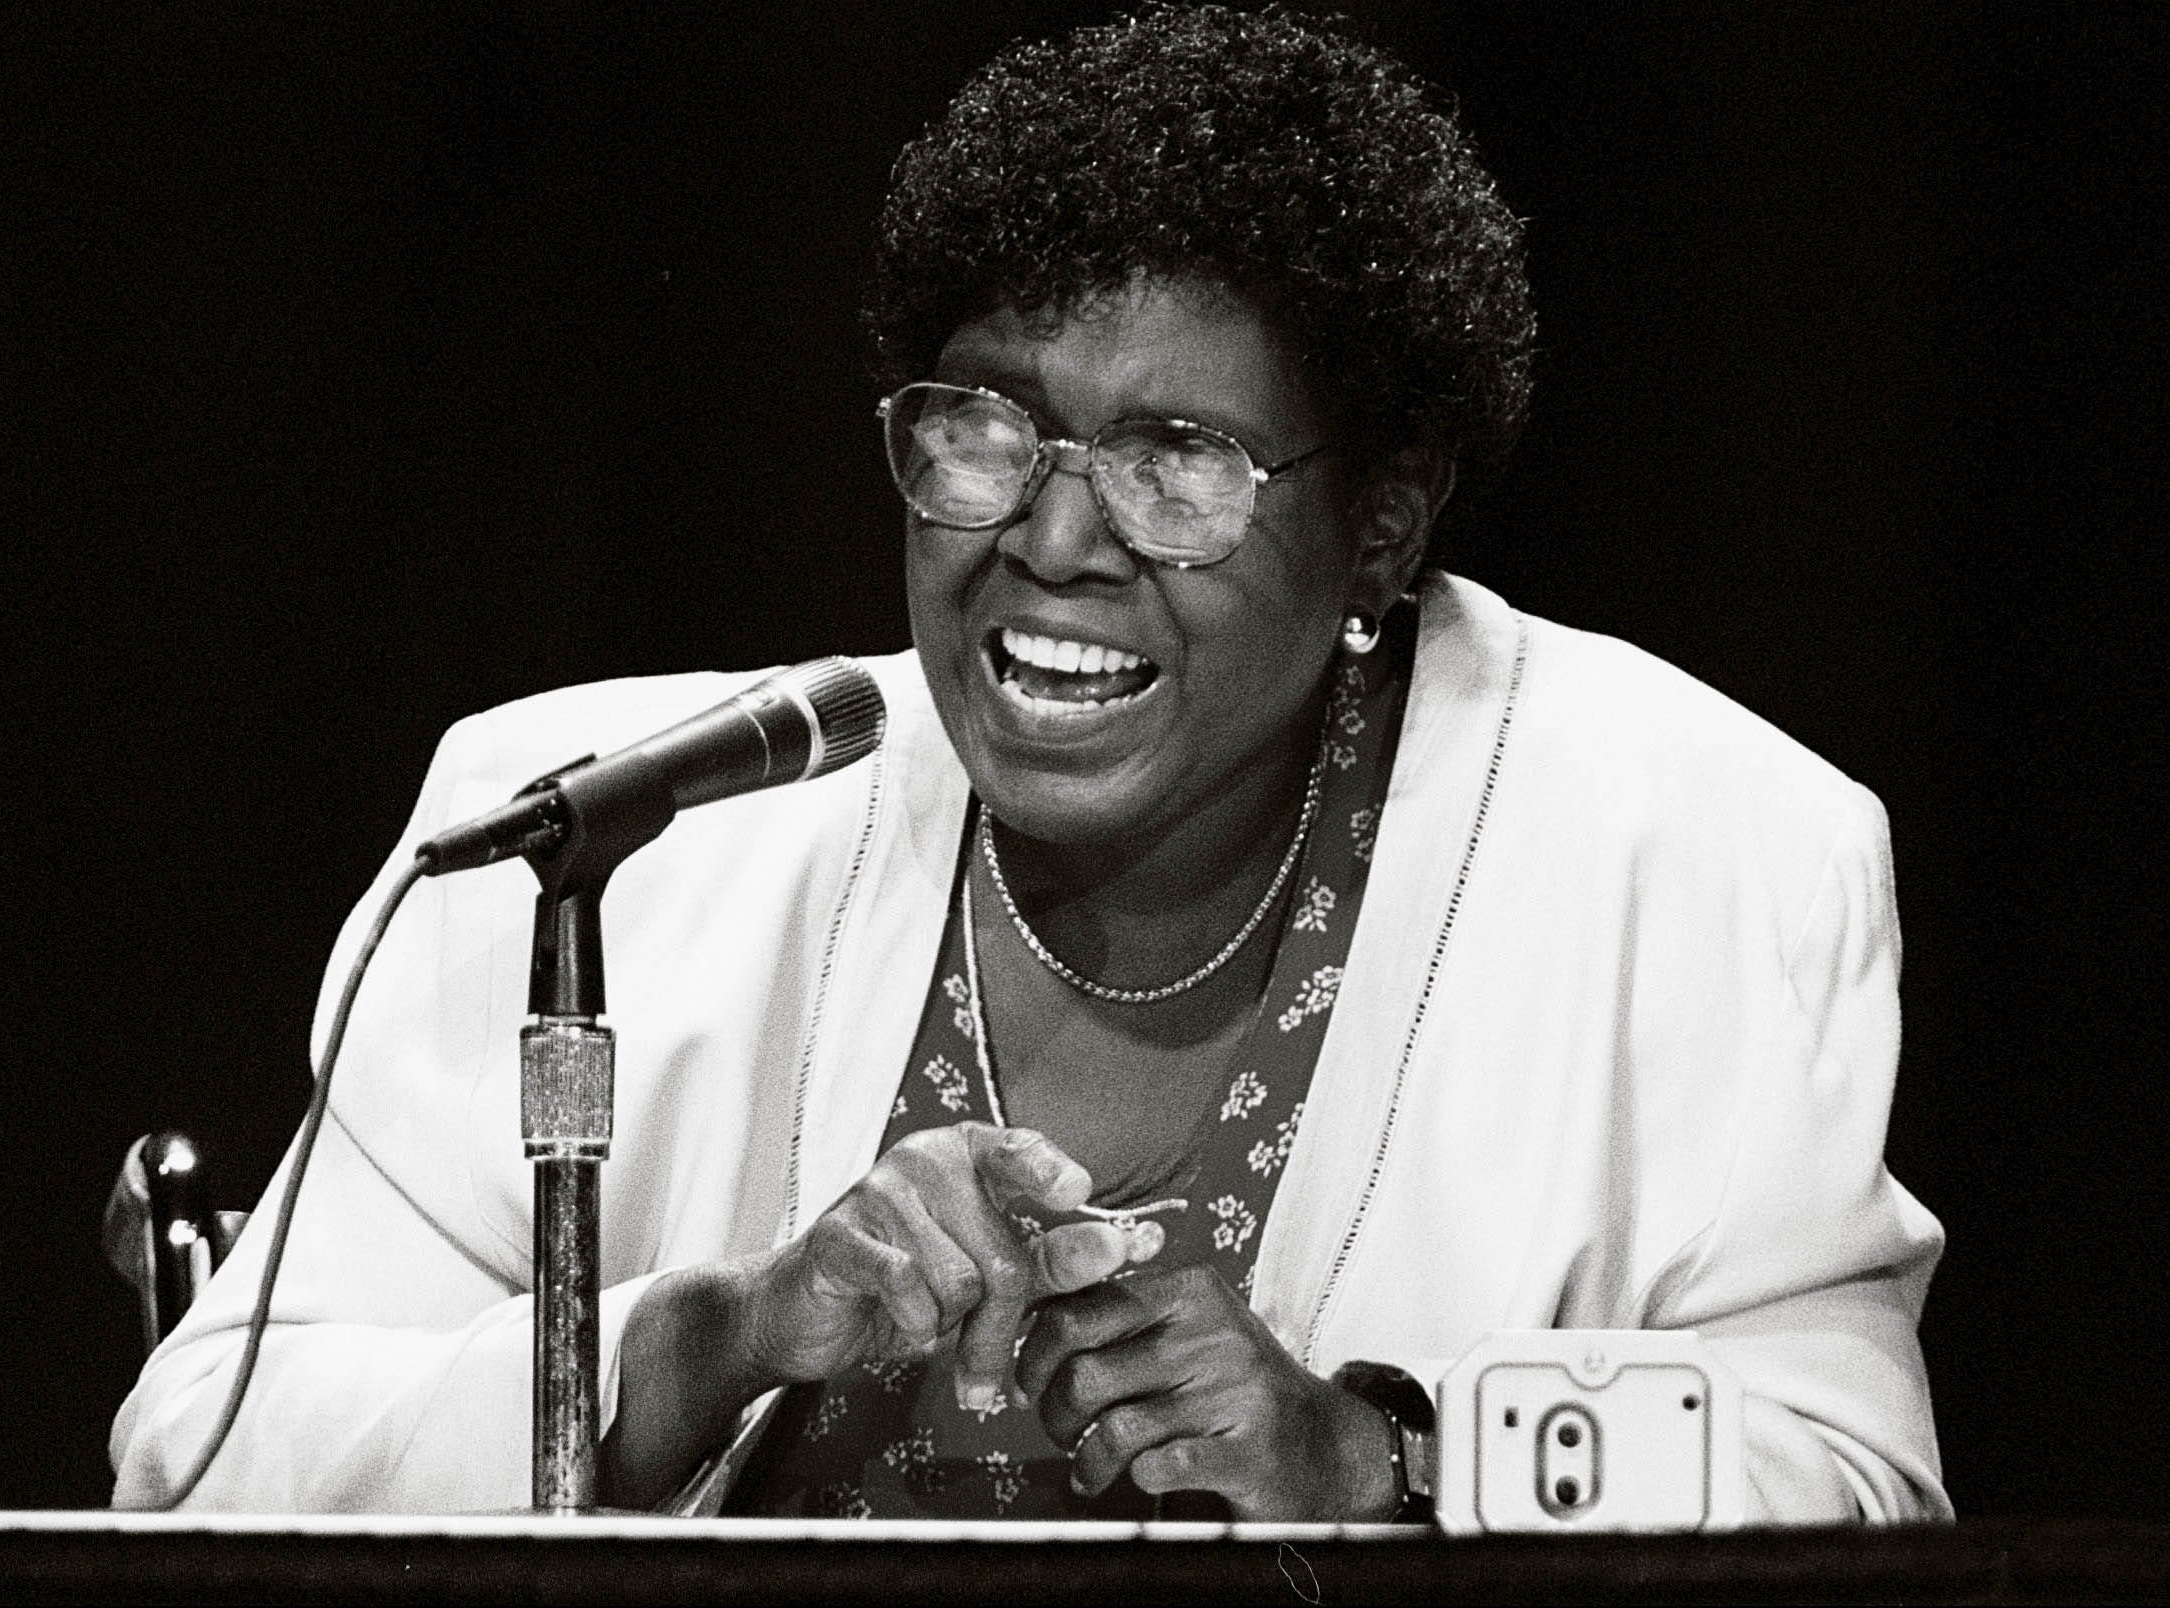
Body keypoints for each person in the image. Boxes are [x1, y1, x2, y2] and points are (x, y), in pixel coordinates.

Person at [111, 5, 1948, 1523]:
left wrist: (1379, 1451)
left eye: (1178, 460)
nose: (1056, 542)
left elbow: (1851, 1471)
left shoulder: (1694, 848)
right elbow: (205, 1455)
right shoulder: (602, 832)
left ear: (1385, 521)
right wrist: (704, 1339)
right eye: (986, 432)